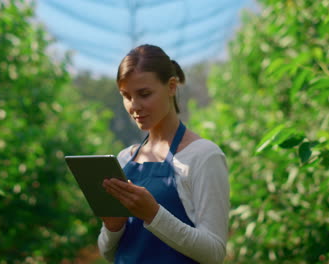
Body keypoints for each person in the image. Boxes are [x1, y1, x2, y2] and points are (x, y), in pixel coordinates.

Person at [98, 44, 230, 264]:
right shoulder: (124, 159)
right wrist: (113, 227)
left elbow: (214, 253)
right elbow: (108, 253)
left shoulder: (203, 156)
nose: (134, 106)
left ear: (171, 86)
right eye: (126, 96)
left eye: (144, 94)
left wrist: (154, 214)